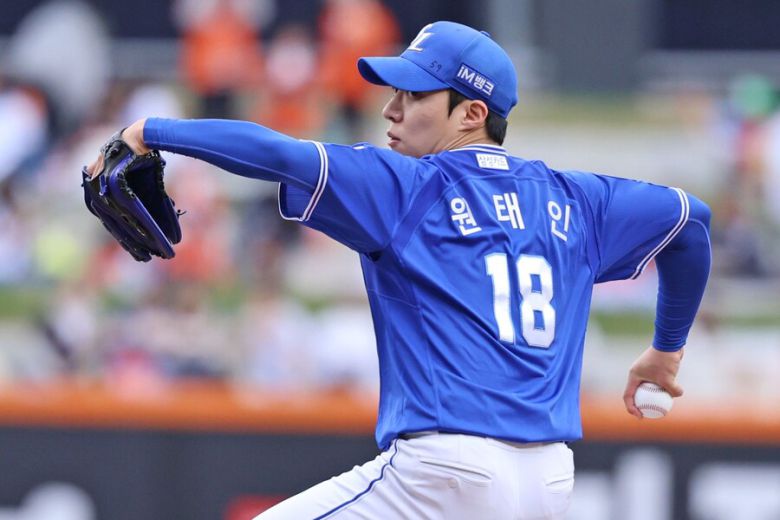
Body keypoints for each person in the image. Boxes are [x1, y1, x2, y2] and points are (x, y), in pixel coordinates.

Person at [88, 21, 711, 520]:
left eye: (414, 95)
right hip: (547, 481)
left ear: (471, 113)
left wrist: (150, 131)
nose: (390, 108)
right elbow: (691, 225)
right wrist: (666, 351)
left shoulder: (408, 186)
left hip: (443, 472)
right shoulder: (579, 200)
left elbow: (278, 152)